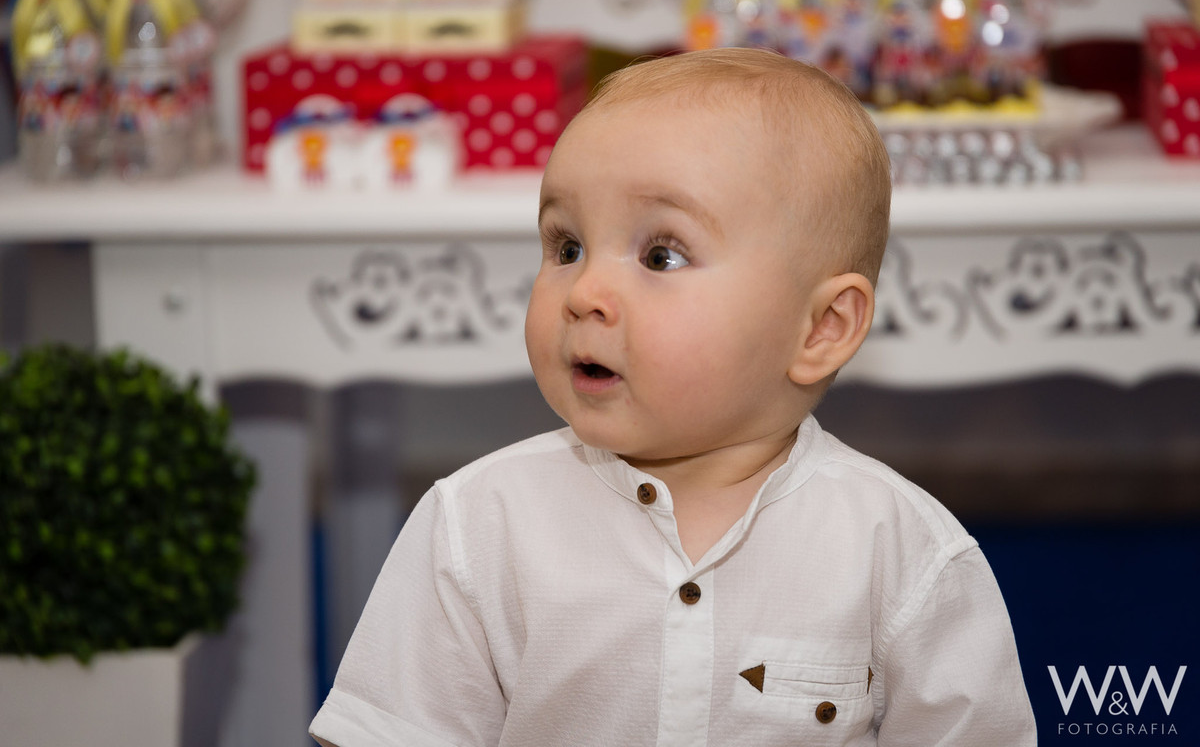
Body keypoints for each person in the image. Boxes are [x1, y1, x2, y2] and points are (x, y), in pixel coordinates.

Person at [309, 47, 1037, 746]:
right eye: (567, 247)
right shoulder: (475, 529)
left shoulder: (903, 556)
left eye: (662, 254)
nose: (586, 293)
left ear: (820, 328)